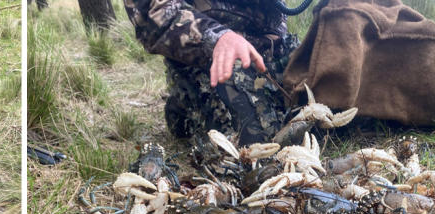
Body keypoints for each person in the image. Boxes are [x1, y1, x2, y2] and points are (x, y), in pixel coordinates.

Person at [124, 0, 302, 146]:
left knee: (319, 117)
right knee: (259, 144)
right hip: (210, 55)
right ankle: (185, 103)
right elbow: (149, 12)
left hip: (272, 52)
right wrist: (217, 37)